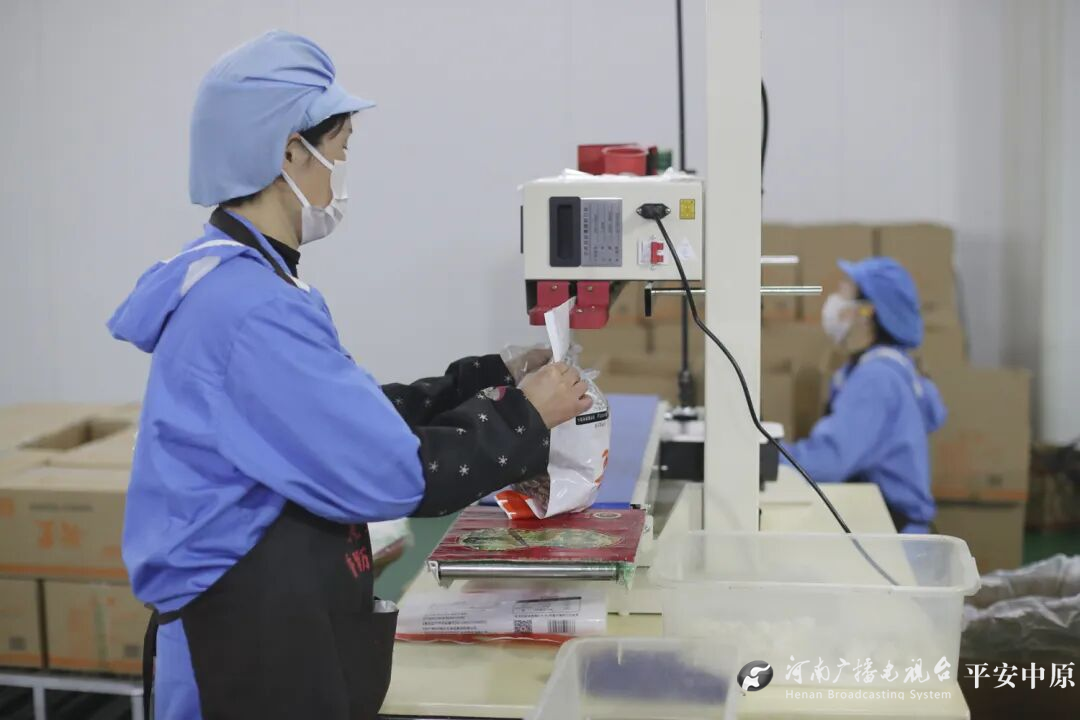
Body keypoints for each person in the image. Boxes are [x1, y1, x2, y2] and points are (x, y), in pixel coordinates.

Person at [107, 31, 590, 720]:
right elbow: (393, 470)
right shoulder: (248, 310)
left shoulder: (244, 282)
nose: (339, 170)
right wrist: (526, 416)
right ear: (287, 152)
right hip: (240, 645)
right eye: (338, 148)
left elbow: (349, 419)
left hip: (263, 620)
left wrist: (491, 375)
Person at [784, 257, 947, 534]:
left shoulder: (876, 379)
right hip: (890, 528)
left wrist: (765, 456)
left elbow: (829, 461)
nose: (834, 304)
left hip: (891, 538)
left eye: (844, 295)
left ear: (867, 313)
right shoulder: (891, 367)